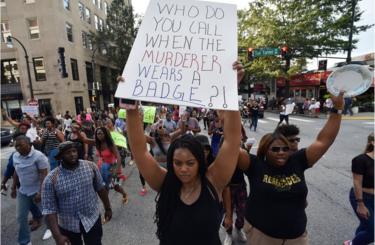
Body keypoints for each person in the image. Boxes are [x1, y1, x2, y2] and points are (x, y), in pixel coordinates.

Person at [124, 61, 243, 244]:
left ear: (200, 162)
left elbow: (232, 141)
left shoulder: (214, 180)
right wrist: (130, 105)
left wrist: (231, 90)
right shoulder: (164, 182)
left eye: (190, 163)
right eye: (177, 163)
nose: (183, 169)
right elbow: (140, 152)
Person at [237, 92, 344, 244]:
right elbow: (231, 145)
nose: (281, 153)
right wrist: (229, 103)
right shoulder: (255, 165)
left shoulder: (298, 161)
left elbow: (324, 141)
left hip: (297, 238)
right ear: (265, 150)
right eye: (275, 149)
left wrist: (338, 109)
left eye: (285, 149)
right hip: (262, 236)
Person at [41, 141, 112, 245]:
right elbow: (49, 210)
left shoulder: (90, 167)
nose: (72, 154)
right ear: (60, 156)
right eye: (68, 152)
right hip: (68, 225)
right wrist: (57, 236)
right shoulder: (51, 179)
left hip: (92, 218)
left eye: (74, 151)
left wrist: (108, 208)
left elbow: (101, 189)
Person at [11, 135, 48, 245]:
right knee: (20, 217)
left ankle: (50, 229)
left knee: (47, 212)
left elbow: (44, 174)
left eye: (20, 145)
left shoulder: (38, 156)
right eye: (16, 146)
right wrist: (13, 187)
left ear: (29, 145)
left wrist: (40, 192)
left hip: (37, 190)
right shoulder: (15, 156)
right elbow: (16, 172)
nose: (18, 148)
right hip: (23, 191)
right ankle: (25, 241)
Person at [344, 133, 374, 245]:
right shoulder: (360, 160)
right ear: (372, 142)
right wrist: (360, 204)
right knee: (372, 231)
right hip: (363, 197)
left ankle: (356, 241)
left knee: (366, 225)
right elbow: (357, 183)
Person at [95, 127, 128, 204]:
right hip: (101, 169)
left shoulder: (110, 144)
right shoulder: (97, 144)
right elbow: (85, 140)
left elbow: (118, 157)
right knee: (105, 189)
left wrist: (116, 170)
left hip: (111, 169)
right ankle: (107, 209)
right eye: (97, 134)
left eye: (101, 133)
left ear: (105, 134)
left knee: (116, 187)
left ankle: (124, 194)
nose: (99, 135)